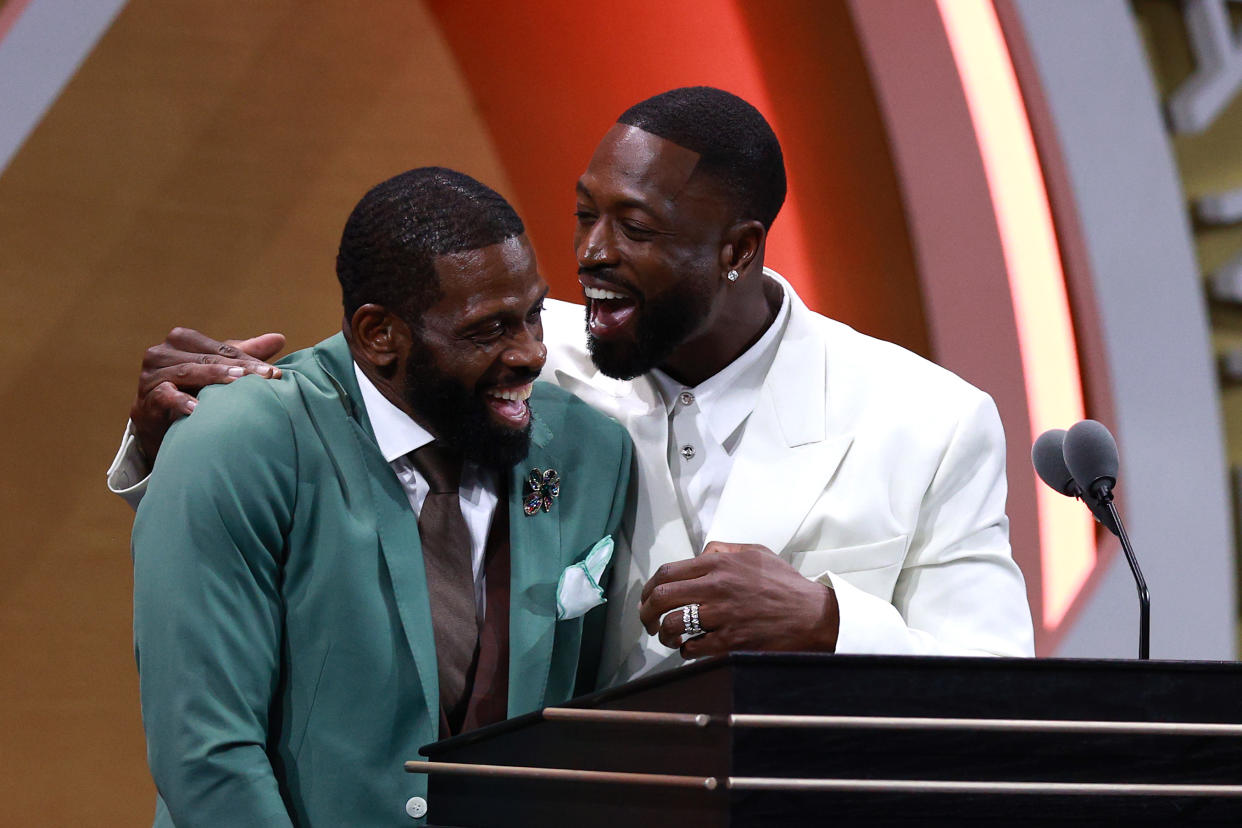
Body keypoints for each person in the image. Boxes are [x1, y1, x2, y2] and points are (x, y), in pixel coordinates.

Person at [112, 87, 1033, 693]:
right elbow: (324, 427)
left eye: (633, 227)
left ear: (739, 249)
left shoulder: (928, 421)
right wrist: (182, 435)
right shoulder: (516, 346)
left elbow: (1003, 694)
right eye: (586, 213)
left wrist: (827, 622)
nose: (589, 255)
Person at [130, 167, 632, 826]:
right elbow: (207, 753)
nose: (532, 354)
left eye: (534, 314)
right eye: (489, 329)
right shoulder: (242, 439)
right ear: (378, 335)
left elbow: (585, 733)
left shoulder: (587, 449)